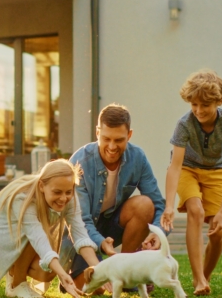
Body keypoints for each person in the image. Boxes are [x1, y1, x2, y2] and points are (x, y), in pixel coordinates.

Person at [65, 103, 166, 292]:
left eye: (119, 140)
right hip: (81, 233)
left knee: (145, 204)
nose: (112, 147)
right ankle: (88, 272)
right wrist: (100, 244)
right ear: (97, 133)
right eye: (106, 139)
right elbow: (81, 221)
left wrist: (158, 233)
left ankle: (127, 273)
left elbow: (158, 203)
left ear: (129, 135)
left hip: (111, 225)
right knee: (96, 289)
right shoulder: (79, 162)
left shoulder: (138, 158)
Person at [160, 69, 222, 296]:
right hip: (188, 169)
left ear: (220, 101)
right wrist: (169, 205)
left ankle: (204, 278)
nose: (198, 110)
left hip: (217, 171)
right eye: (194, 104)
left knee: (218, 232)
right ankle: (197, 278)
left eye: (204, 105)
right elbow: (175, 166)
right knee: (195, 210)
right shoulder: (185, 124)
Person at [0, 159, 99, 298]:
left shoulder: (69, 198)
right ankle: (17, 284)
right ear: (42, 186)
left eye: (68, 191)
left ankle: (13, 278)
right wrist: (63, 275)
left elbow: (80, 235)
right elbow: (37, 238)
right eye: (57, 192)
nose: (63, 198)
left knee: (47, 272)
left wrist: (101, 271)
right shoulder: (24, 198)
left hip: (21, 238)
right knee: (39, 239)